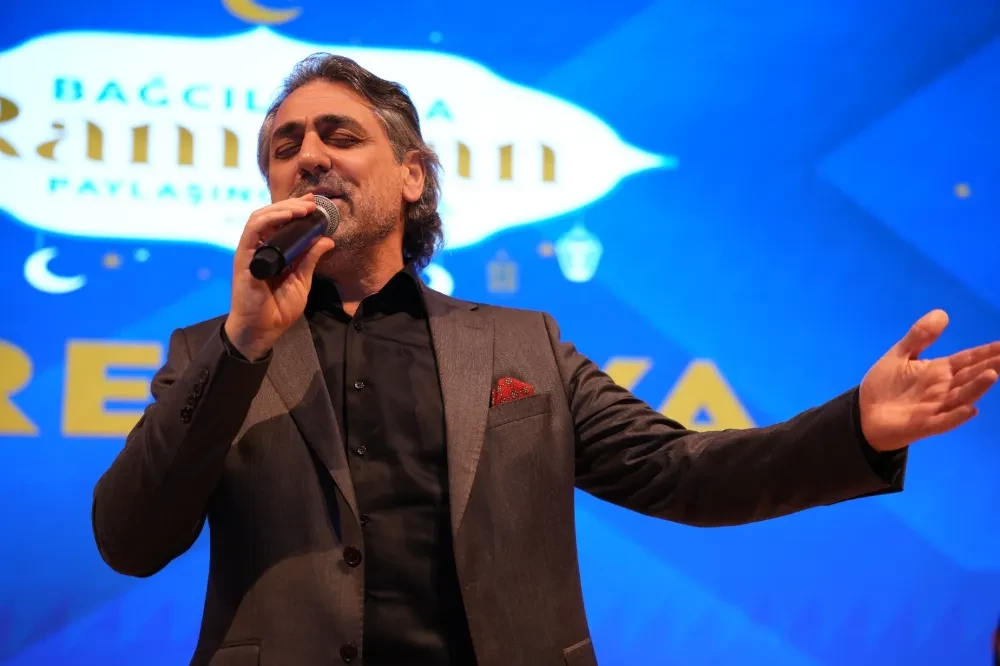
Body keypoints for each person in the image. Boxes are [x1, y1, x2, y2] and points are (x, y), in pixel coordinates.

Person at [90, 53, 1000, 666]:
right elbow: (129, 541)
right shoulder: (215, 353)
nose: (309, 156)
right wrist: (245, 343)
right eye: (285, 147)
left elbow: (682, 474)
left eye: (340, 134)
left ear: (412, 175)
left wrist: (855, 429)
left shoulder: (519, 345)